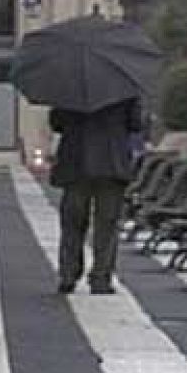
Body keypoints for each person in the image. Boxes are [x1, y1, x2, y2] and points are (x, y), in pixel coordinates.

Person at [48, 97, 143, 295]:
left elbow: (57, 123)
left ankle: (68, 274)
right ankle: (101, 278)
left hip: (76, 163)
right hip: (112, 163)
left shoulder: (68, 87)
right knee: (107, 224)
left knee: (72, 222)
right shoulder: (124, 88)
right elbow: (135, 124)